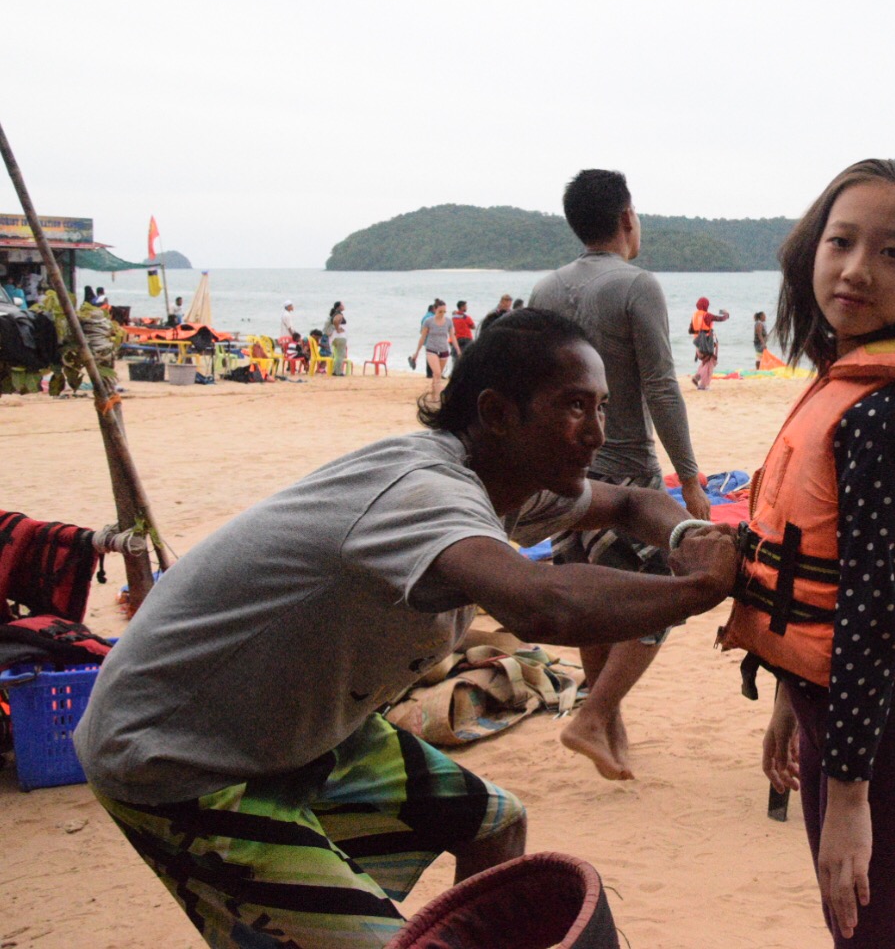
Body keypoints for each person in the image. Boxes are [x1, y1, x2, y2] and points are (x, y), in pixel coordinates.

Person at [74, 308, 739, 948]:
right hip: (178, 752)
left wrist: (686, 534)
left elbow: (627, 501)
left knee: (496, 827)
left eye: (600, 406)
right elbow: (540, 605)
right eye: (574, 406)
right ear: (497, 414)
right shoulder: (425, 490)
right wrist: (696, 589)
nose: (596, 431)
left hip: (294, 728)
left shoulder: (509, 483)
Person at [719, 158, 895, 947]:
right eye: (841, 241)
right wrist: (787, 699)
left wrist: (849, 796)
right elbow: (830, 571)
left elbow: (870, 614)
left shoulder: (890, 417)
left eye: (891, 253)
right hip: (837, 713)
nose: (855, 269)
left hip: (875, 731)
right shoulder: (851, 383)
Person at [529, 169, 715, 782]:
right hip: (627, 468)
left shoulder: (544, 288)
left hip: (561, 471)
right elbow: (662, 385)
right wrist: (689, 477)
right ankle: (594, 713)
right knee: (658, 602)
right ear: (627, 217)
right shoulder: (638, 285)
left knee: (589, 597)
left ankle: (609, 728)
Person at [412, 300, 460, 404]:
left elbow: (453, 336)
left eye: (444, 311)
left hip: (444, 350)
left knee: (436, 376)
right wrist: (416, 353)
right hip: (431, 350)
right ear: (435, 309)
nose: (442, 314)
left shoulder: (448, 322)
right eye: (440, 311)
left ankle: (434, 396)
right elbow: (422, 337)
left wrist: (458, 350)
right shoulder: (428, 321)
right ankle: (438, 399)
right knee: (437, 373)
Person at [689, 296, 729, 390]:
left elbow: (692, 329)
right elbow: (721, 319)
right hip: (706, 344)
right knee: (710, 363)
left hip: (698, 343)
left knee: (704, 362)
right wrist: (726, 314)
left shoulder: (695, 315)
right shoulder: (707, 315)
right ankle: (704, 385)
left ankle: (697, 377)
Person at [325, 302, 349, 376]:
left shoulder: (334, 313)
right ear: (338, 307)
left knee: (338, 355)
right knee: (341, 355)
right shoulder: (338, 314)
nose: (344, 306)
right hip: (340, 337)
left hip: (335, 337)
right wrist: (338, 329)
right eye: (342, 305)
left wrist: (337, 328)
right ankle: (338, 372)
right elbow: (335, 321)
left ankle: (335, 370)